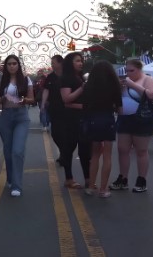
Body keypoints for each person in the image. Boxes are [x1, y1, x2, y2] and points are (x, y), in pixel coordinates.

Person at [109, 58, 153, 193]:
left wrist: (133, 85)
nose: (129, 73)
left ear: (139, 69)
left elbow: (152, 94)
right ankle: (123, 178)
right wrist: (119, 88)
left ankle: (141, 180)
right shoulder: (125, 81)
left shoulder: (147, 79)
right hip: (124, 118)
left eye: (132, 70)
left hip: (141, 119)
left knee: (141, 151)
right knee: (122, 149)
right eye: (127, 71)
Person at [0, 54, 34, 197]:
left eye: (14, 63)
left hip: (21, 116)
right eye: (9, 64)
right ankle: (10, 178)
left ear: (18, 65)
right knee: (8, 151)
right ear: (6, 66)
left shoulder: (26, 80)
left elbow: (32, 99)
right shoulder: (1, 80)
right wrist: (4, 97)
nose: (12, 66)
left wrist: (24, 100)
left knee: (18, 151)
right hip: (6, 117)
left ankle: (17, 185)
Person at [81, 60, 122, 198]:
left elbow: (84, 106)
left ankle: (91, 186)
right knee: (107, 156)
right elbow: (119, 108)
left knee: (95, 155)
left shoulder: (88, 86)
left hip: (93, 120)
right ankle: (103, 189)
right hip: (108, 120)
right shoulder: (114, 86)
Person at [59, 52, 91, 189]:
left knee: (85, 149)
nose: (80, 63)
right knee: (69, 148)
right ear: (70, 63)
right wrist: (82, 89)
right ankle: (69, 178)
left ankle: (88, 178)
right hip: (71, 118)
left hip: (84, 118)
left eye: (81, 60)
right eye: (77, 60)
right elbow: (66, 99)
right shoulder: (66, 78)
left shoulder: (80, 77)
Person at [40, 55, 64, 163]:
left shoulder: (67, 75)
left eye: (53, 63)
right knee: (55, 133)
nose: (52, 65)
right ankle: (63, 151)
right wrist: (43, 104)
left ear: (60, 63)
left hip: (68, 109)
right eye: (51, 63)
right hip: (54, 109)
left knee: (66, 134)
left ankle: (64, 154)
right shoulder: (50, 77)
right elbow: (46, 90)